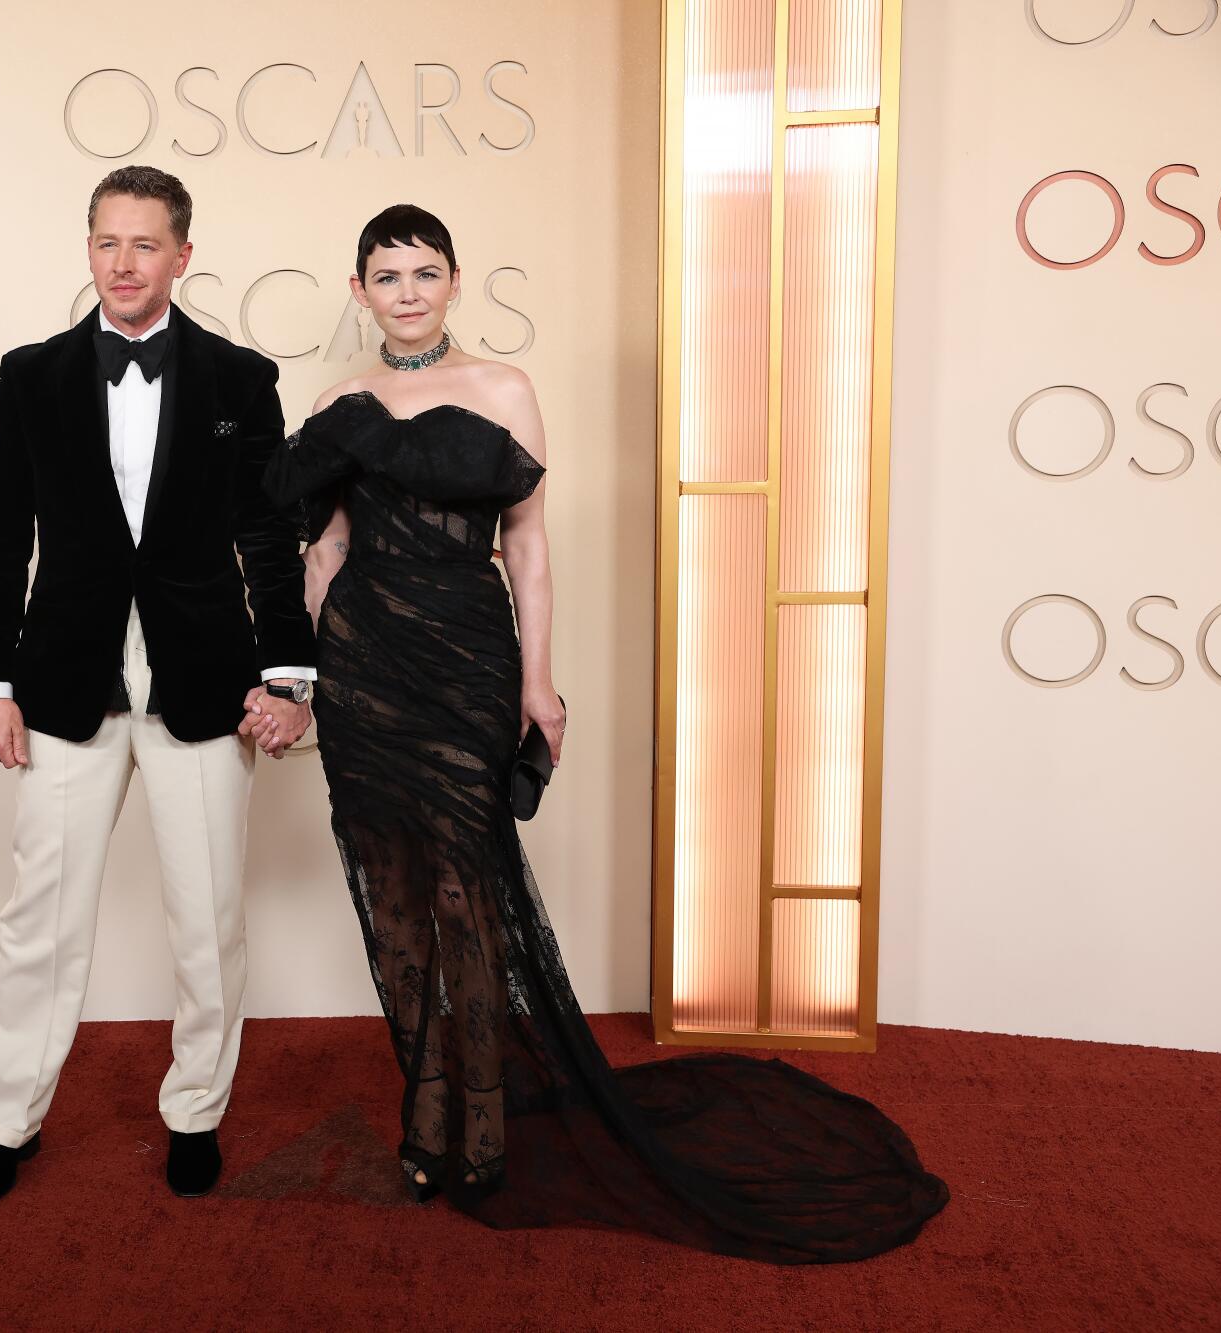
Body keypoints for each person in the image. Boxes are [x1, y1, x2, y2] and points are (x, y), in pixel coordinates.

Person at [262, 204, 948, 1262]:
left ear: (454, 281)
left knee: (466, 891)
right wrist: (297, 681)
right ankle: (424, 1110)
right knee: (390, 891)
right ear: (359, 291)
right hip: (364, 670)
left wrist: (538, 683)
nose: (406, 292)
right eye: (386, 276)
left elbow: (527, 546)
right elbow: (324, 551)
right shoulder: (334, 405)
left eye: (424, 272)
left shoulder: (503, 389)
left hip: (466, 661)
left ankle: (482, 1120)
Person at [0, 165, 315, 1207]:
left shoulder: (241, 380)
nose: (123, 263)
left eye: (144, 244)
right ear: (88, 250)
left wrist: (288, 673)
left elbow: (268, 537)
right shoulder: (28, 376)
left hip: (201, 682)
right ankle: (7, 1120)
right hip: (61, 682)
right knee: (40, 919)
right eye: (106, 242)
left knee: (206, 918)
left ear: (181, 255)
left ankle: (194, 1110)